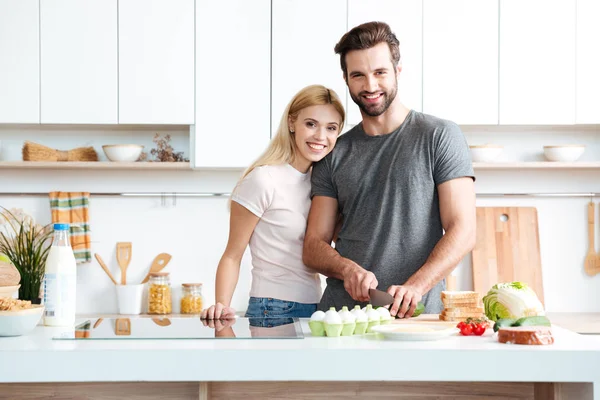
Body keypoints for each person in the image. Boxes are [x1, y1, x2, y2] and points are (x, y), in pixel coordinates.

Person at [302, 21, 476, 319]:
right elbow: (313, 246)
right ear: (346, 80)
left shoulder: (439, 135)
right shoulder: (334, 153)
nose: (370, 86)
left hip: (417, 318)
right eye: (358, 75)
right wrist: (346, 269)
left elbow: (464, 229)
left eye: (379, 72)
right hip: (342, 320)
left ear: (397, 71)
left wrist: (416, 287)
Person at [200, 84, 345, 322]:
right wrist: (221, 307)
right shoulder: (263, 179)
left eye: (331, 128)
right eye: (311, 124)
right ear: (291, 123)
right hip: (272, 308)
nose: (321, 136)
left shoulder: (324, 188)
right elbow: (232, 255)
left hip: (318, 308)